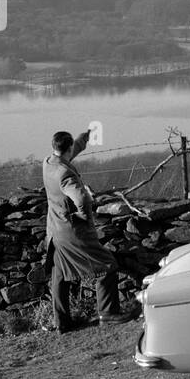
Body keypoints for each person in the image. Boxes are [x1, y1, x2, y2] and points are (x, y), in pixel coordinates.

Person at [41, 129, 130, 333]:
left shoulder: (48, 163)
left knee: (60, 275)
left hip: (54, 231)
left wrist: (84, 138)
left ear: (54, 146)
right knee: (107, 265)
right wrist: (84, 215)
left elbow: (67, 153)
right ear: (68, 147)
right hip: (70, 232)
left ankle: (61, 322)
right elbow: (81, 198)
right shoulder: (65, 174)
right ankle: (108, 314)